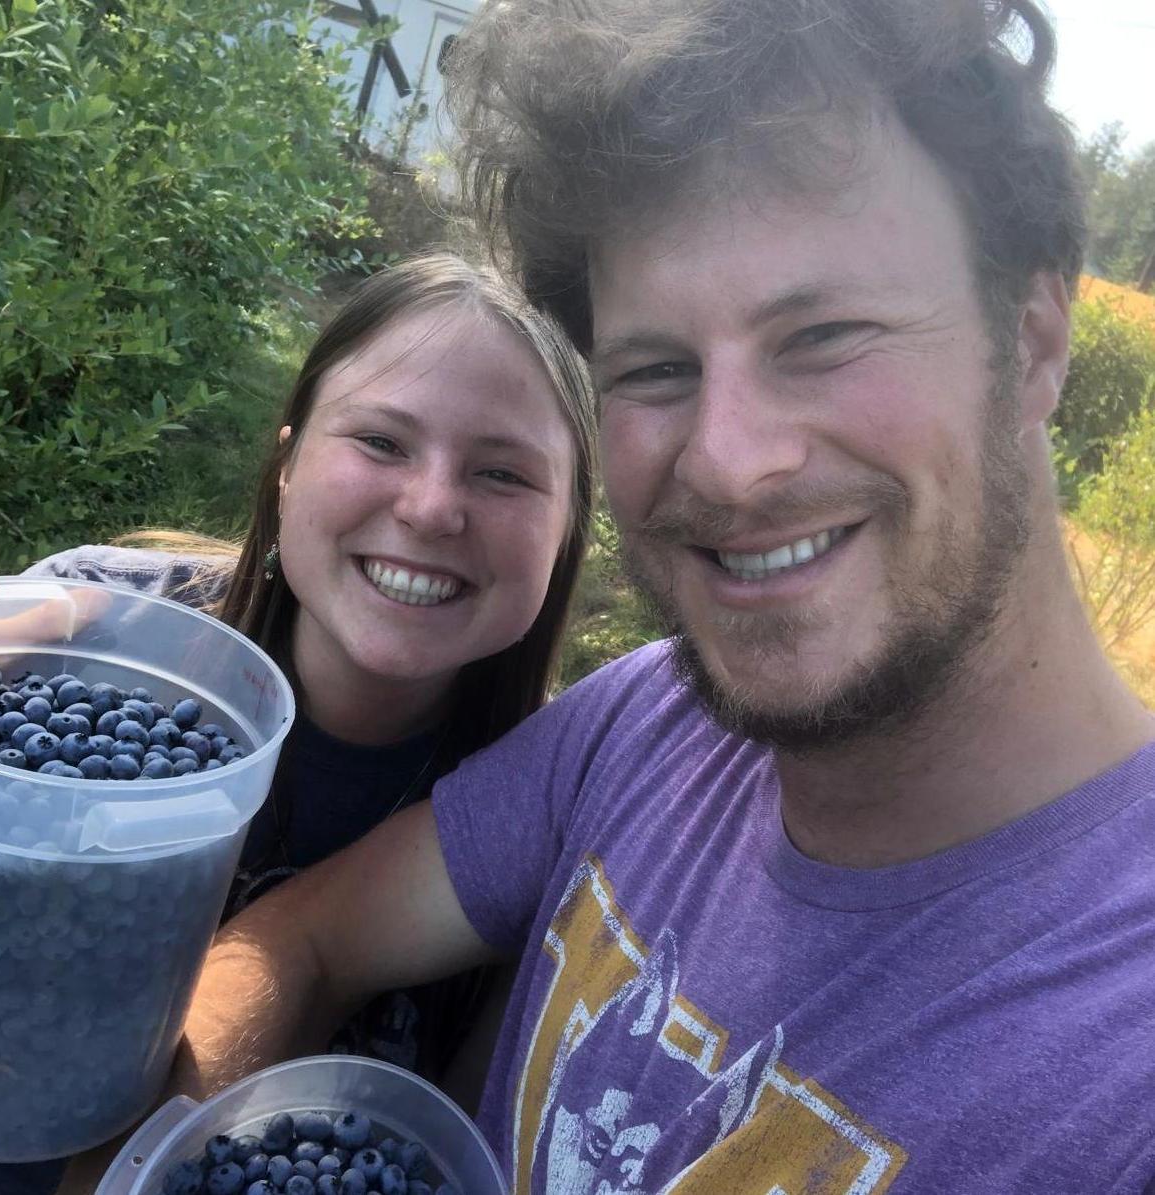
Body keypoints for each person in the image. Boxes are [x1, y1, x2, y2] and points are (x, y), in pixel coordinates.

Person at [61, 0, 1155, 1192]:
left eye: (824, 335)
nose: (728, 462)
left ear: (1034, 339)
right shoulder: (647, 720)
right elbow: (304, 938)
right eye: (657, 369)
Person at [0, 251, 596, 1194]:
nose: (431, 508)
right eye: (381, 441)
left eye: (502, 472)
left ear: (568, 531)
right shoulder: (78, 633)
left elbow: (456, 1146)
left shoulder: (543, 824)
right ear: (288, 463)